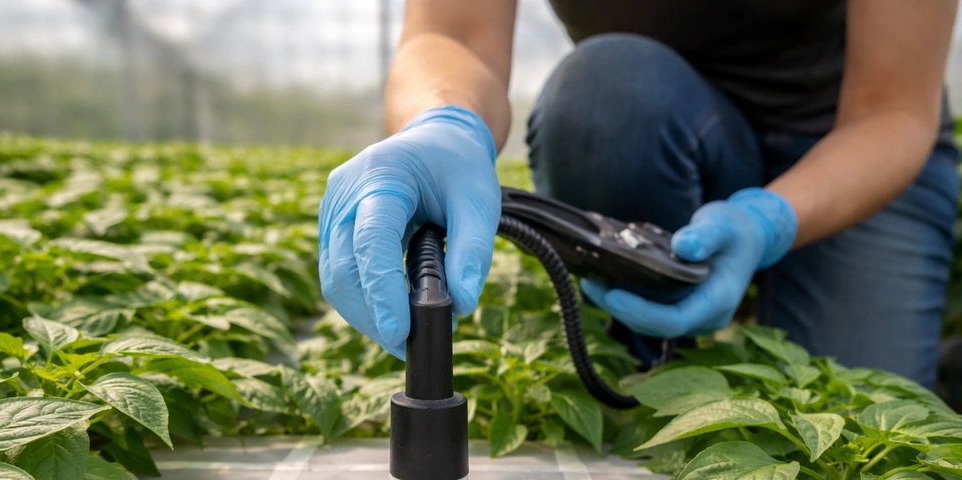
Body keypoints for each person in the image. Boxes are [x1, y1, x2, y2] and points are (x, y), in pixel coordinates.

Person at [318, 0, 960, 390]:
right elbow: (453, 31)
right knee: (603, 96)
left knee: (862, 433)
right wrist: (444, 120)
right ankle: (653, 363)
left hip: (858, 145)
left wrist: (768, 221)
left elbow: (893, 109)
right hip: (646, 120)